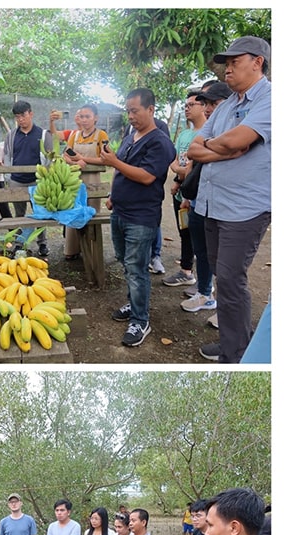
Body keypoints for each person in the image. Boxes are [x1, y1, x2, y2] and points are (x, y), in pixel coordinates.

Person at [186, 37, 271, 364]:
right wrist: (226, 150)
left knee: (232, 279)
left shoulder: (270, 99)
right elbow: (196, 147)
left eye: (236, 60)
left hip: (244, 209)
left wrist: (219, 146)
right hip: (213, 205)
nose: (228, 67)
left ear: (258, 62)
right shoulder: (229, 106)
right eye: (227, 61)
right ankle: (232, 342)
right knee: (224, 276)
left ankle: (235, 356)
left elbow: (239, 139)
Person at [102, 88, 176, 347]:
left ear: (151, 109)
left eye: (135, 111)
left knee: (137, 268)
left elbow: (146, 176)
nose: (130, 116)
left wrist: (114, 163)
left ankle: (141, 320)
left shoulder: (160, 142)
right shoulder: (130, 135)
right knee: (125, 261)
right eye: (128, 111)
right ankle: (134, 303)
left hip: (141, 217)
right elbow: (119, 165)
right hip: (120, 211)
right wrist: (112, 193)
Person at [180, 82, 232, 319]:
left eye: (214, 103)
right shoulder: (207, 130)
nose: (209, 108)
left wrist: (207, 148)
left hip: (226, 206)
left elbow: (235, 151)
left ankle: (226, 308)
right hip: (200, 200)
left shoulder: (237, 126)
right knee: (202, 252)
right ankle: (204, 293)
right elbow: (193, 152)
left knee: (226, 261)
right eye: (206, 104)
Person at [57, 104, 110, 261]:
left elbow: (105, 159)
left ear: (96, 118)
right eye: (82, 116)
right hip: (74, 180)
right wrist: (74, 163)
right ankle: (72, 249)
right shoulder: (74, 135)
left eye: (88, 116)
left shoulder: (101, 136)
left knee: (91, 213)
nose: (84, 120)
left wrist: (83, 159)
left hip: (93, 181)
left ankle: (92, 250)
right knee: (73, 211)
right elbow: (66, 154)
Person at [162, 92, 202, 290]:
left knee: (197, 235)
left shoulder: (206, 133)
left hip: (196, 193)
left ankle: (190, 272)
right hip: (181, 191)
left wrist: (182, 173)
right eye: (186, 105)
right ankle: (187, 270)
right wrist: (179, 176)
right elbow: (175, 160)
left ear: (204, 106)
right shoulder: (185, 134)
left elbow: (196, 166)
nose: (187, 108)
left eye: (192, 104)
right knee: (184, 231)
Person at [3, 101, 52, 257]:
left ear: (31, 114)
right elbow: (7, 156)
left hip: (37, 180)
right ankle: (19, 243)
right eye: (17, 117)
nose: (20, 120)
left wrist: (46, 178)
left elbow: (50, 158)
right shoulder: (11, 136)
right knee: (19, 214)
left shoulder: (43, 134)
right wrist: (8, 177)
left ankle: (42, 243)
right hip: (17, 180)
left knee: (39, 213)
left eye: (23, 115)